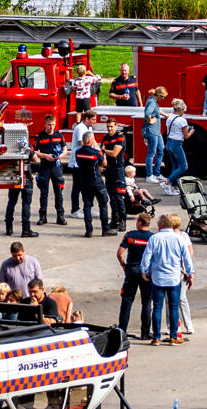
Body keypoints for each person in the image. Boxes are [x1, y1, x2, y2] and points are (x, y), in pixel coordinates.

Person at [140, 213, 194, 344]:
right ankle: (173, 336)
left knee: (157, 307)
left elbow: (146, 256)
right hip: (174, 278)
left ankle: (156, 337)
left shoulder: (154, 238)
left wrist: (144, 270)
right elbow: (187, 257)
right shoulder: (179, 238)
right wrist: (190, 272)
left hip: (158, 277)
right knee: (174, 307)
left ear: (161, 225)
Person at [117, 211, 155, 339]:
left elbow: (120, 253)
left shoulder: (130, 235)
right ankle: (145, 333)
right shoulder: (152, 237)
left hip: (132, 270)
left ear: (139, 222)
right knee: (147, 302)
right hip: (147, 273)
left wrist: (123, 265)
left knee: (127, 301)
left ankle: (122, 331)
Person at [31, 113, 66, 226]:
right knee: (44, 193)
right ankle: (43, 216)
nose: (51, 127)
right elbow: (34, 151)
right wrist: (45, 156)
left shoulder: (59, 136)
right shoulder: (40, 136)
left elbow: (65, 149)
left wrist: (61, 156)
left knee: (58, 192)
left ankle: (60, 216)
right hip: (44, 167)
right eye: (49, 125)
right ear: (45, 124)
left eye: (53, 125)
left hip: (56, 167)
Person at [74, 130, 110, 237]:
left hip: (84, 181)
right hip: (96, 181)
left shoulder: (78, 152)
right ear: (91, 140)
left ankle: (89, 230)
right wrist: (98, 148)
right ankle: (105, 229)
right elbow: (104, 163)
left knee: (87, 205)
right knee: (103, 203)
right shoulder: (96, 152)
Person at [2, 151, 36, 238]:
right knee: (26, 203)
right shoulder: (26, 146)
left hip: (13, 177)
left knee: (11, 202)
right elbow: (36, 159)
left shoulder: (8, 147)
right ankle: (26, 230)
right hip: (26, 178)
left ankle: (8, 228)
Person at [163, 101, 192, 185]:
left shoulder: (170, 118)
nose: (184, 113)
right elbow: (186, 136)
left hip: (169, 142)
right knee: (183, 167)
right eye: (184, 111)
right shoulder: (182, 120)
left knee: (175, 165)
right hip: (176, 143)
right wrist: (191, 131)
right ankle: (168, 181)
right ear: (181, 109)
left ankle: (174, 186)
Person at [143, 87, 166, 183]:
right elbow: (147, 113)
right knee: (151, 153)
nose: (164, 99)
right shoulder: (152, 102)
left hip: (157, 131)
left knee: (161, 150)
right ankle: (149, 176)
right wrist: (150, 121)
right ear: (159, 95)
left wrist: (166, 115)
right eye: (163, 97)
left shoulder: (153, 100)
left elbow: (157, 110)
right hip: (152, 131)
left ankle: (157, 173)